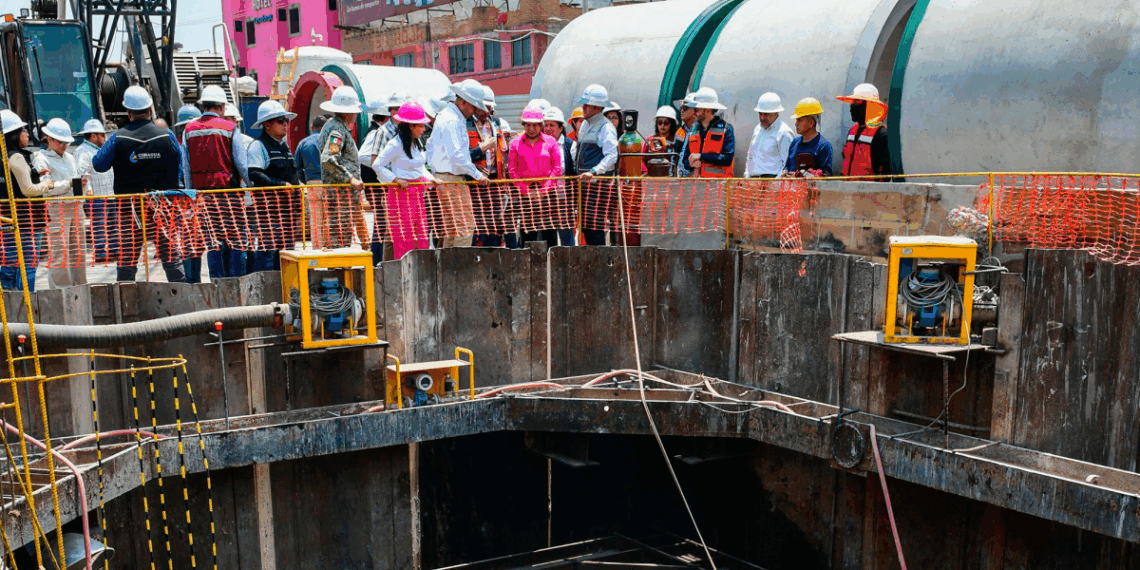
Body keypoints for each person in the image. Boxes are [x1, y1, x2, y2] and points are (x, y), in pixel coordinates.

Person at [93, 86, 187, 283]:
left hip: (130, 211)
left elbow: (98, 164)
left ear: (128, 112)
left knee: (127, 261)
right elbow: (180, 164)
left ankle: (126, 306)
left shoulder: (117, 138)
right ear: (151, 109)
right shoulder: (166, 135)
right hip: (163, 209)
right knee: (171, 258)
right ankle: (182, 301)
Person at [183, 85, 248, 278]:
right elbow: (242, 164)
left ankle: (217, 285)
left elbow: (186, 168)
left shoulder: (189, 129)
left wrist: (191, 195)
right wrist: (251, 188)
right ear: (222, 107)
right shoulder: (230, 128)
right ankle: (237, 285)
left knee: (214, 244)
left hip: (203, 198)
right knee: (236, 242)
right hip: (230, 197)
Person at [426, 79, 488, 248]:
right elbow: (457, 156)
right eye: (473, 106)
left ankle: (446, 267)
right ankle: (457, 269)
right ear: (464, 102)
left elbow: (430, 148)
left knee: (452, 227)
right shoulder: (452, 119)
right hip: (452, 178)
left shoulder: (446, 116)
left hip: (444, 177)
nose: (475, 110)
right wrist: (477, 175)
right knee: (464, 227)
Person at [371, 102, 437, 260]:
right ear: (410, 126)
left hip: (418, 195)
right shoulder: (395, 144)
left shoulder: (416, 143)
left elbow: (419, 168)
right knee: (404, 239)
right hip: (400, 196)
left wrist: (432, 179)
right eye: (420, 126)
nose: (423, 129)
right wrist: (395, 179)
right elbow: (377, 164)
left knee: (421, 237)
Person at [0, 110, 51, 291]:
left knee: (9, 263)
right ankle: (25, 304)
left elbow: (10, 183)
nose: (27, 134)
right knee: (27, 264)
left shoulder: (3, 156)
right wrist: (47, 184)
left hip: (6, 218)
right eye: (23, 130)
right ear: (13, 134)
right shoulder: (16, 156)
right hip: (27, 220)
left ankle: (8, 306)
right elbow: (28, 190)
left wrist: (35, 173)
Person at [246, 100, 300, 272]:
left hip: (288, 215)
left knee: (286, 257)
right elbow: (254, 173)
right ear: (267, 125)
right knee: (267, 257)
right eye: (280, 121)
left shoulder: (284, 147)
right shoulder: (258, 146)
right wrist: (281, 185)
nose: (285, 124)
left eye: (286, 120)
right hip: (270, 215)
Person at [33, 118, 87, 288]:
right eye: (61, 142)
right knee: (59, 252)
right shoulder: (41, 159)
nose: (64, 145)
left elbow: (77, 177)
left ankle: (80, 289)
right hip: (56, 210)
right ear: (49, 139)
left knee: (78, 251)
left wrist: (82, 185)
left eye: (66, 142)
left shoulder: (70, 158)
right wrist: (69, 184)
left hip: (75, 206)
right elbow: (46, 188)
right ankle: (61, 291)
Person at [360, 92, 407, 264]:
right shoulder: (381, 132)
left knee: (390, 230)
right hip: (387, 188)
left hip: (397, 187)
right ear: (393, 113)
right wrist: (390, 177)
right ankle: (381, 264)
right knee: (386, 229)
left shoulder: (403, 131)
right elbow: (370, 160)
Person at [318, 85, 366, 248]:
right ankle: (339, 271)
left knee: (337, 235)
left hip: (339, 194)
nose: (355, 116)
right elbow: (328, 158)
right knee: (339, 237)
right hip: (341, 195)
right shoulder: (338, 132)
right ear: (347, 113)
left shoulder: (332, 127)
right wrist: (350, 178)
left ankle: (338, 270)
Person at [508, 106, 562, 248]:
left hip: (548, 194)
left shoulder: (551, 142)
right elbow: (512, 171)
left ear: (540, 125)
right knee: (527, 232)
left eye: (534, 125)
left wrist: (543, 191)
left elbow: (557, 169)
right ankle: (527, 263)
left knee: (549, 231)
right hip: (525, 195)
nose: (531, 128)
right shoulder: (515, 143)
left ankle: (551, 261)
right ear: (524, 125)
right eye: (528, 125)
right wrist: (527, 191)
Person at [574, 84, 619, 246]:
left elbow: (612, 156)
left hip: (598, 187)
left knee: (596, 228)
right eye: (584, 103)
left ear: (597, 106)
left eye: (587, 104)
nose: (583, 107)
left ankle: (600, 263)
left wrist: (594, 171)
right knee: (586, 227)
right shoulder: (586, 124)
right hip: (584, 187)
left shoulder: (606, 127)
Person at [75, 119, 115, 264]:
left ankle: (114, 250)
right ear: (93, 136)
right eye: (102, 135)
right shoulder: (83, 151)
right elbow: (82, 172)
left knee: (112, 225)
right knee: (99, 226)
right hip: (97, 196)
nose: (104, 138)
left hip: (109, 194)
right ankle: (100, 252)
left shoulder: (100, 149)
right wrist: (89, 191)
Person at [836, 83, 892, 178]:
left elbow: (887, 170)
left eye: (857, 102)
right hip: (847, 190)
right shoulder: (852, 131)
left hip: (870, 191)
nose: (852, 107)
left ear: (871, 105)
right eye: (852, 102)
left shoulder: (881, 134)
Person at [680, 87, 736, 178]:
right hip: (697, 186)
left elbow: (727, 159)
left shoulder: (726, 129)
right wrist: (690, 164)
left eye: (697, 109)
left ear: (708, 110)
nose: (694, 112)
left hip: (719, 186)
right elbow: (685, 160)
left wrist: (701, 156)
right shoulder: (693, 130)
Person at [542, 106, 576, 246]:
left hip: (564, 199)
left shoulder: (570, 146)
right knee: (547, 235)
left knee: (566, 235)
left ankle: (569, 264)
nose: (548, 128)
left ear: (561, 128)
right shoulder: (539, 144)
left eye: (552, 125)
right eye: (546, 125)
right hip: (545, 199)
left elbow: (574, 169)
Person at [294, 114, 329, 246]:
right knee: (329, 218)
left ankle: (317, 248)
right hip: (330, 183)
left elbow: (297, 167)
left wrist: (307, 179)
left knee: (316, 218)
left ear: (312, 127)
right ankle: (330, 247)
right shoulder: (330, 142)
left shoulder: (303, 143)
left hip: (312, 183)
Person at [745, 92, 795, 178]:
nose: (762, 118)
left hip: (773, 183)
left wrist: (775, 184)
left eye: (766, 114)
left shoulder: (784, 132)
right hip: (755, 182)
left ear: (776, 113)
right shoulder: (757, 129)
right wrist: (747, 176)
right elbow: (750, 156)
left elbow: (788, 163)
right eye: (760, 114)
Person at [783, 97, 833, 177]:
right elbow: (787, 166)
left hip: (812, 189)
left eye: (799, 120)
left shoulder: (823, 146)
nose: (796, 124)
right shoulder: (794, 143)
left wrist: (799, 176)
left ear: (811, 123)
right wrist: (785, 172)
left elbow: (825, 177)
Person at [646, 106, 679, 176]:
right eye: (660, 122)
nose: (662, 125)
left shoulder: (676, 141)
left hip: (670, 178)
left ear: (672, 124)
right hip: (651, 177)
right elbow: (642, 159)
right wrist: (645, 173)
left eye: (666, 123)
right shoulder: (650, 139)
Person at [676, 93, 698, 177]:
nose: (681, 110)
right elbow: (675, 155)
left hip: (693, 180)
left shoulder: (701, 131)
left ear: (695, 111)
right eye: (681, 108)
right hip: (679, 178)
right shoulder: (680, 131)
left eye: (685, 108)